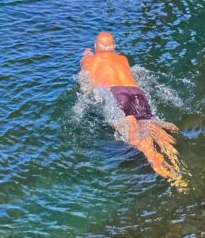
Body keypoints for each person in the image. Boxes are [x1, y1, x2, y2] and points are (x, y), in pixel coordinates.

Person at [80, 31, 186, 189]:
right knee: (149, 123)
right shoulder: (123, 59)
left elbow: (85, 85)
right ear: (114, 47)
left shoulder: (90, 60)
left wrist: (86, 56)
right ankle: (172, 155)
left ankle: (155, 160)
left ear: (96, 46)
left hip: (116, 93)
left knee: (130, 129)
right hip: (136, 92)